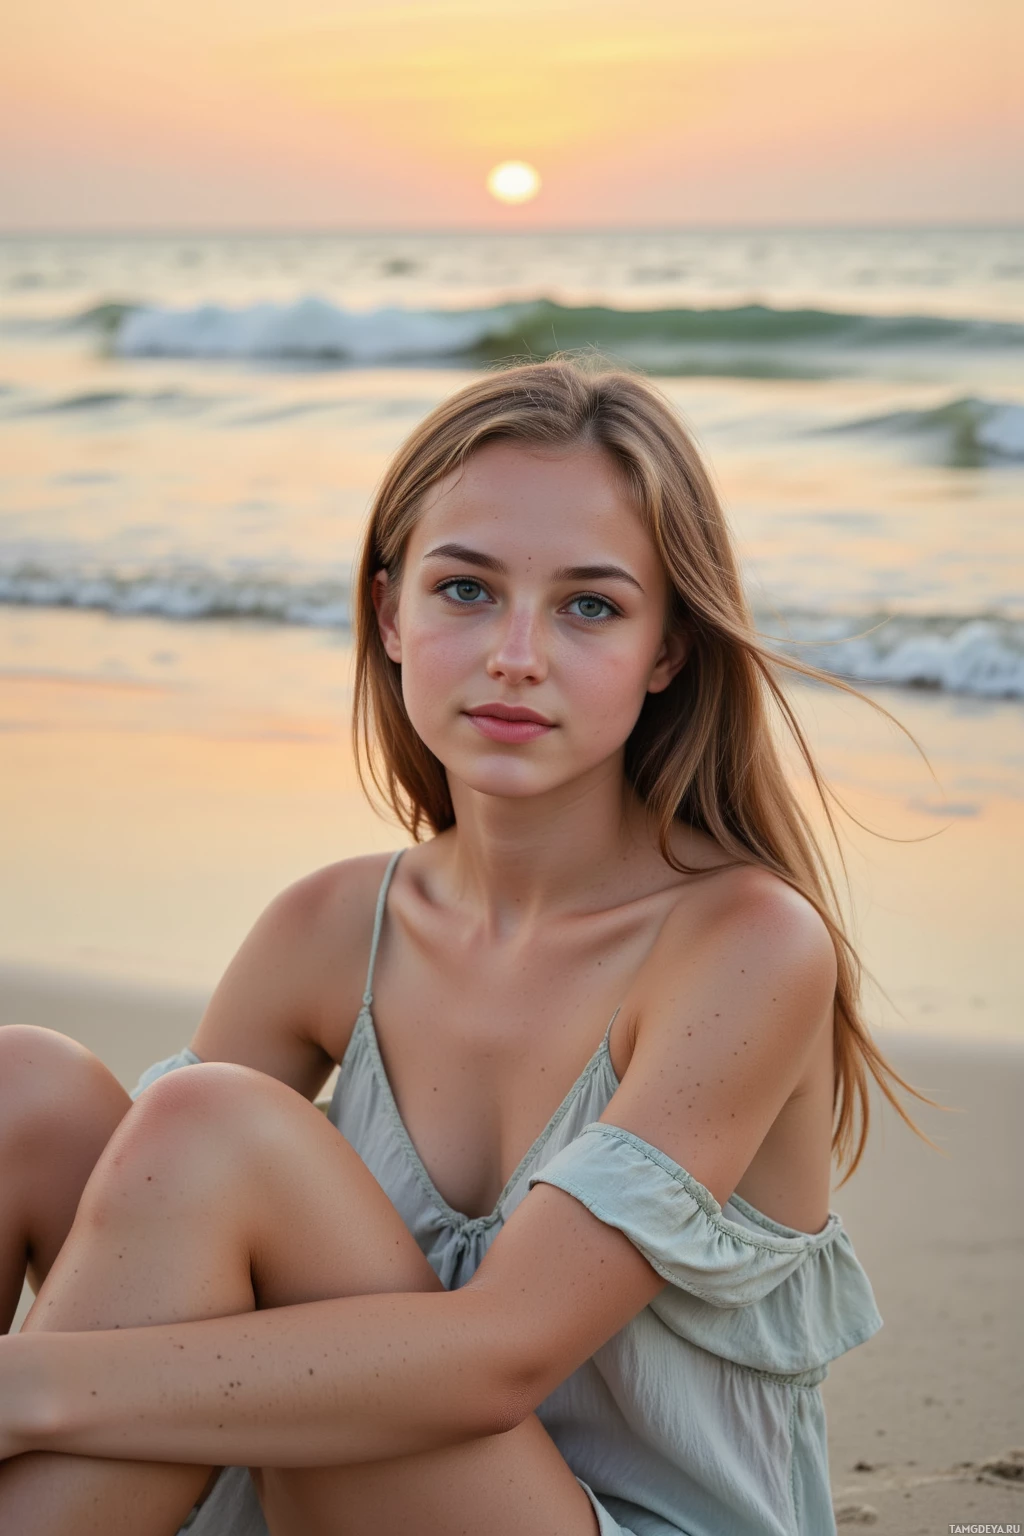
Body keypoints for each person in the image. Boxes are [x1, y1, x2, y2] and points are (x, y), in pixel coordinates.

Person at [0, 357, 940, 1536]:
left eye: (589, 605)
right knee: (23, 1086)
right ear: (389, 611)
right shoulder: (328, 928)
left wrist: (24, 1385)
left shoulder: (745, 946)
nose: (516, 654)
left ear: (667, 653)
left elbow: (500, 1356)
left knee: (211, 1124)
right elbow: (153, 1237)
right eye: (465, 591)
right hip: (332, 1492)